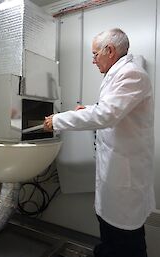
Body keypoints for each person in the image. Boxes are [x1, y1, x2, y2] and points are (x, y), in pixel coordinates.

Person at [44, 28, 155, 257]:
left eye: (95, 54)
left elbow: (107, 115)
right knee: (110, 236)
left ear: (110, 50)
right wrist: (90, 109)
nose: (93, 61)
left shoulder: (132, 74)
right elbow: (111, 110)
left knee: (127, 243)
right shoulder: (118, 75)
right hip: (114, 175)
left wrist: (58, 120)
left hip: (125, 179)